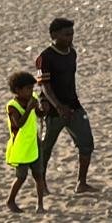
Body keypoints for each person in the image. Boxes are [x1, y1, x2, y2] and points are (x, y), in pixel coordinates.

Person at [36, 18, 96, 194]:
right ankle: (41, 185)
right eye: (66, 34)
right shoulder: (45, 57)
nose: (70, 38)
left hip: (74, 106)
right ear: (54, 35)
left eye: (72, 34)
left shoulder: (72, 53)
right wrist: (58, 106)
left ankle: (81, 183)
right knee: (45, 149)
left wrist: (69, 105)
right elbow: (44, 86)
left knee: (86, 143)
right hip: (53, 111)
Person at [5, 71, 46, 214]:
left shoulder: (32, 98)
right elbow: (20, 123)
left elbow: (38, 114)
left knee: (38, 175)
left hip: (34, 144)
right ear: (17, 90)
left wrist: (43, 109)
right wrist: (28, 108)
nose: (31, 91)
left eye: (32, 88)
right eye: (28, 89)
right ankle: (10, 201)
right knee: (21, 177)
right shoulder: (12, 107)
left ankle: (40, 205)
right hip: (21, 147)